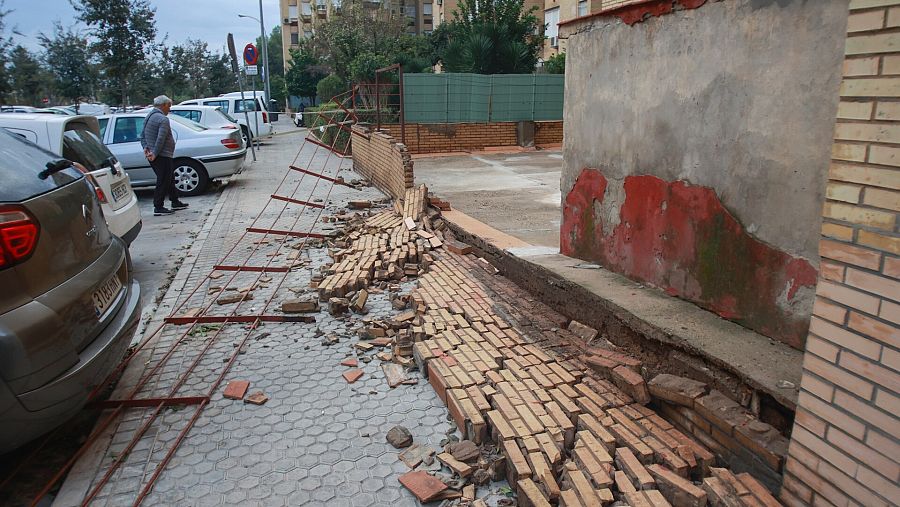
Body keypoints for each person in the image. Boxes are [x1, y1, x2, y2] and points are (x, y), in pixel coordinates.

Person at [141, 95, 188, 216]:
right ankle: (158, 206)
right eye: (169, 106)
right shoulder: (162, 119)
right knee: (163, 180)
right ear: (163, 105)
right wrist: (155, 154)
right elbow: (160, 139)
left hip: (155, 153)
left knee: (169, 178)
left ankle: (175, 201)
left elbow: (142, 135)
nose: (169, 109)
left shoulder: (149, 116)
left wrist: (146, 148)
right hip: (161, 155)